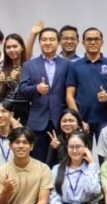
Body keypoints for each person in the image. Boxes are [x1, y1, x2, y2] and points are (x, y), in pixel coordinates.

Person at [19, 26, 72, 161]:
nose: (48, 43)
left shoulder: (67, 65)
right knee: (37, 160)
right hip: (37, 121)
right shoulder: (29, 65)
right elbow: (22, 90)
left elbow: (71, 91)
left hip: (60, 121)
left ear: (58, 42)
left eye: (51, 39)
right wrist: (36, 88)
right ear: (39, 42)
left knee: (60, 160)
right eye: (44, 40)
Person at [65, 28, 107, 138]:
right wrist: (78, 120)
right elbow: (69, 96)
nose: (93, 42)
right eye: (89, 39)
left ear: (102, 42)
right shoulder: (74, 66)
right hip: (83, 119)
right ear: (83, 43)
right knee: (82, 154)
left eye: (96, 39)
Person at [0, 128, 50, 204]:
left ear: (31, 146)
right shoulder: (2, 171)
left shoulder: (43, 169)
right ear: (10, 146)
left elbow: (43, 201)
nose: (21, 146)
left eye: (25, 143)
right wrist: (6, 191)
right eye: (17, 142)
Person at [48, 131, 100, 204]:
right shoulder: (57, 169)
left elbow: (94, 189)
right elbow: (53, 199)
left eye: (78, 146)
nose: (75, 150)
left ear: (86, 147)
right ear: (66, 148)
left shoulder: (92, 169)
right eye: (71, 147)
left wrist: (91, 164)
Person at [0, 35, 29, 125]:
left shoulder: (30, 65)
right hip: (7, 108)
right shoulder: (2, 66)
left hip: (25, 109)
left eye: (15, 46)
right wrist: (3, 83)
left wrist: (20, 80)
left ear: (22, 47)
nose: (11, 50)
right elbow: (0, 94)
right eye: (8, 47)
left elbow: (31, 94)